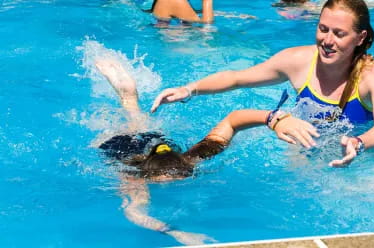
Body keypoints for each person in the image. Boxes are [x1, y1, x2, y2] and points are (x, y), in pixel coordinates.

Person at [150, 0, 374, 167]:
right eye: (323, 29)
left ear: (360, 37)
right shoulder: (298, 61)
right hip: (304, 145)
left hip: (359, 158)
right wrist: (189, 89)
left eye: (339, 34)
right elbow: (237, 78)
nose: (327, 40)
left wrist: (358, 142)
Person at [93, 58, 282, 244]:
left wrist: (272, 120)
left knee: (135, 122)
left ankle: (130, 97)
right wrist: (176, 233)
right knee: (117, 131)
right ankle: (129, 97)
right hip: (120, 146)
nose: (171, 184)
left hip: (152, 143)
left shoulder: (192, 159)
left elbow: (232, 123)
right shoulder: (134, 178)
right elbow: (134, 214)